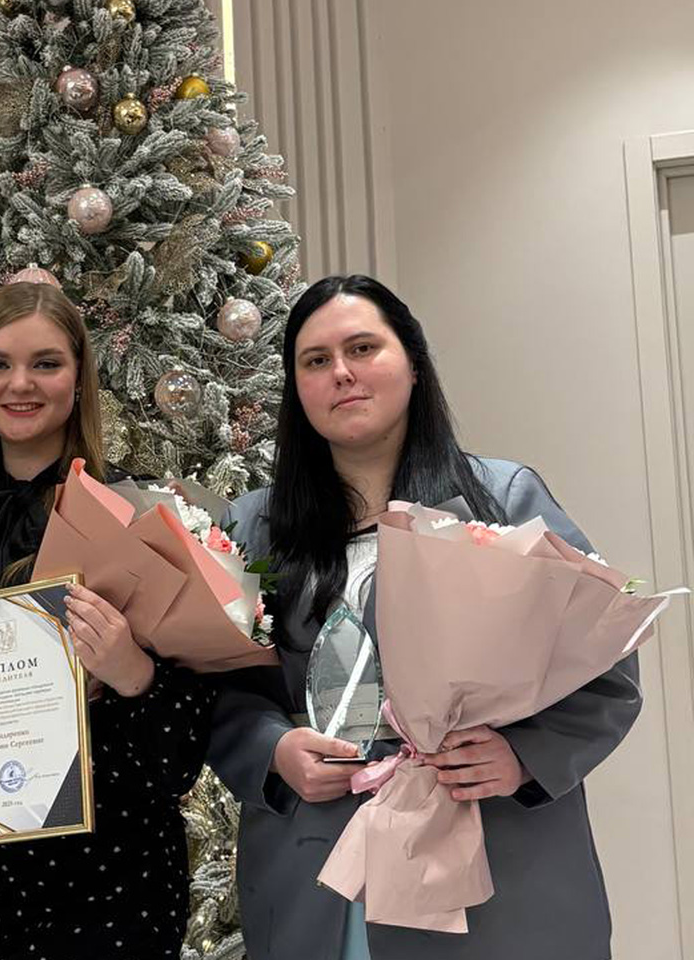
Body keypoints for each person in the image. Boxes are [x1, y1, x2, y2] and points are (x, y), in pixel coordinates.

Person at [207, 275, 641, 960]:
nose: (341, 373)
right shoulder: (253, 527)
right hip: (319, 865)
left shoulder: (503, 499)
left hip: (487, 857)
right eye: (316, 360)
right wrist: (272, 749)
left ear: (412, 363)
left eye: (362, 348)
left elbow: (606, 662)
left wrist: (523, 755)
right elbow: (218, 685)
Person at [0, 281, 214, 959]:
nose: (20, 383)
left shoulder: (135, 516)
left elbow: (184, 754)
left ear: (79, 378)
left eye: (46, 363)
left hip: (121, 885)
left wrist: (132, 671)